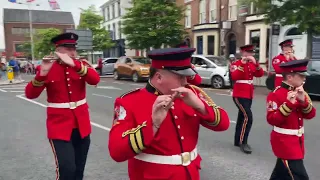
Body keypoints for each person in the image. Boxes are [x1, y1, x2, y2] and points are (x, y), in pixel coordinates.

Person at [108, 47, 230, 180]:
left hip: (191, 174)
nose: (185, 82)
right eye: (180, 77)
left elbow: (223, 125)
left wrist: (200, 106)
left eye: (187, 76)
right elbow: (116, 151)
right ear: (159, 77)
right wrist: (153, 125)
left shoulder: (190, 94)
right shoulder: (129, 101)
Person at [24, 32, 100, 180]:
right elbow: (30, 94)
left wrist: (76, 64)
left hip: (81, 125)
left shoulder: (80, 65)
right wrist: (42, 75)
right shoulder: (48, 67)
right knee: (67, 169)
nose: (72, 52)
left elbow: (94, 80)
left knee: (79, 170)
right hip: (59, 127)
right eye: (67, 48)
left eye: (73, 48)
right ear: (58, 50)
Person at [266, 59, 316, 180]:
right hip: (284, 144)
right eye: (301, 76)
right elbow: (272, 119)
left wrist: (303, 101)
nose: (304, 79)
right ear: (289, 77)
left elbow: (310, 115)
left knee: (281, 175)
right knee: (300, 176)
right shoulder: (276, 94)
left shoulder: (300, 92)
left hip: (297, 142)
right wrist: (289, 104)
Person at [230, 44, 264, 154]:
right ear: (243, 53)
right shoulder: (236, 63)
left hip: (248, 94)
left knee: (242, 116)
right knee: (248, 117)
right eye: (249, 52)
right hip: (239, 94)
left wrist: (256, 63)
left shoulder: (251, 64)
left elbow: (259, 74)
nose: (251, 54)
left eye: (252, 53)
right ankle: (243, 142)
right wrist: (242, 64)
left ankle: (237, 140)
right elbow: (234, 77)